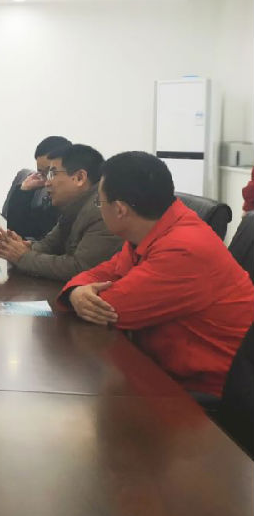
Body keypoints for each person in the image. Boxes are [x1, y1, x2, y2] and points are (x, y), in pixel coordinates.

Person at [59, 151, 254, 396]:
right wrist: (76, 292)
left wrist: (79, 295)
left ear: (119, 209)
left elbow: (112, 309)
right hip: (166, 370)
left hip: (213, 391)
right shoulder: (153, 230)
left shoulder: (184, 248)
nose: (99, 209)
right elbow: (106, 271)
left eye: (100, 202)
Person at [0, 143, 122, 281]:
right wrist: (24, 247)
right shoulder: (73, 206)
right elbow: (49, 244)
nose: (47, 183)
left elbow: (80, 268)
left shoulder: (101, 210)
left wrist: (23, 257)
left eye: (52, 174)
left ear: (79, 178)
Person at [3, 135, 71, 240]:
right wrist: (24, 190)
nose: (47, 182)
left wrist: (28, 249)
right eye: (42, 174)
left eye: (51, 173)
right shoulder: (52, 204)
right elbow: (17, 229)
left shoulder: (83, 208)